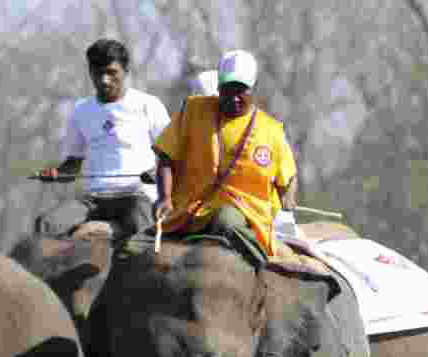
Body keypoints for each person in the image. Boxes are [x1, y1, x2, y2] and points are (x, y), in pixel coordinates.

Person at [153, 50, 298, 259]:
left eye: (241, 91)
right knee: (135, 248)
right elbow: (166, 156)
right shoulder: (193, 111)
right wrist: (164, 198)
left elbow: (289, 177)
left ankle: (263, 263)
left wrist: (288, 199)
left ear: (253, 88)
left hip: (243, 211)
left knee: (225, 219)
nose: (234, 98)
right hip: (187, 210)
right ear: (218, 87)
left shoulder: (272, 131)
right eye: (228, 90)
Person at [34, 39, 171, 240]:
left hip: (136, 196)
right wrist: (56, 173)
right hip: (93, 199)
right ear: (90, 72)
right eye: (98, 73)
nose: (104, 80)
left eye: (112, 73)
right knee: (46, 225)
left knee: (142, 229)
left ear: (125, 71)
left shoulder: (148, 105)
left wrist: (155, 173)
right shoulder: (81, 110)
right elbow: (71, 168)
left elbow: (172, 156)